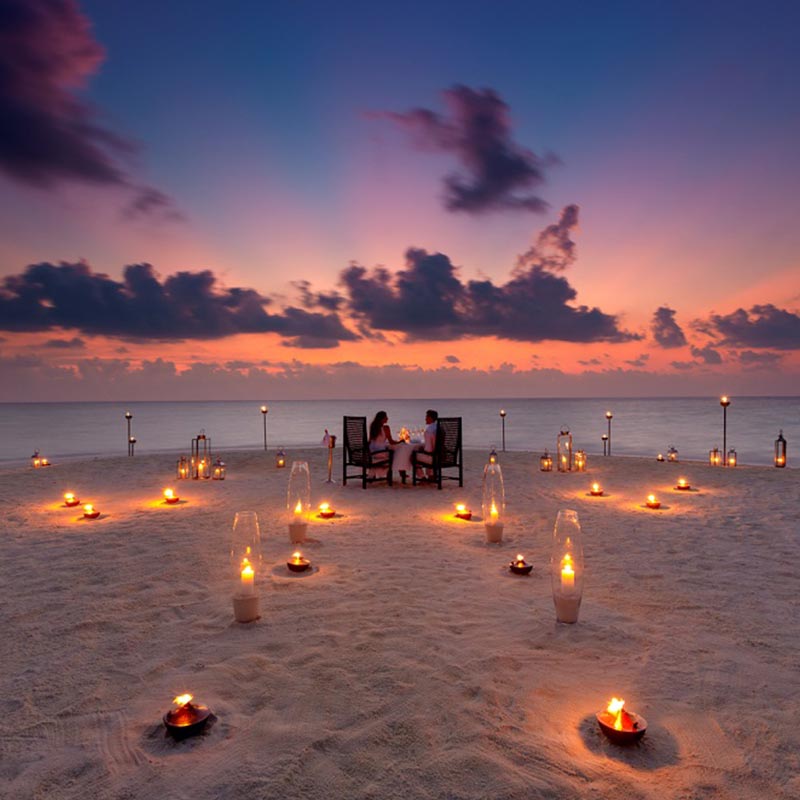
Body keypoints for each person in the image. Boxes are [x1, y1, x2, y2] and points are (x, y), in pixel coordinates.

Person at [368, 411, 397, 478]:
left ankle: (373, 471)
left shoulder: (373, 426)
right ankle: (401, 473)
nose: (387, 418)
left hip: (372, 452)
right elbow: (391, 442)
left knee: (391, 452)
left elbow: (370, 440)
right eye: (386, 417)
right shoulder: (386, 428)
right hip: (380, 453)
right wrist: (401, 441)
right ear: (382, 419)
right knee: (396, 455)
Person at [414, 409, 439, 480]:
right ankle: (431, 475)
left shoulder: (429, 430)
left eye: (426, 417)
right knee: (427, 453)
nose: (425, 419)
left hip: (433, 458)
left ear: (430, 418)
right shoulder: (439, 427)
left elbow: (429, 449)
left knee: (413, 456)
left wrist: (422, 450)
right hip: (442, 456)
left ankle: (422, 477)